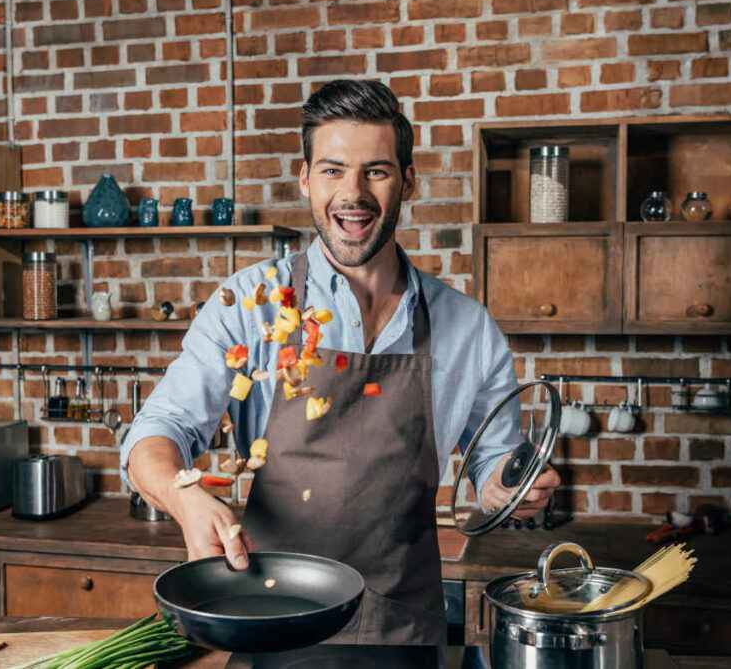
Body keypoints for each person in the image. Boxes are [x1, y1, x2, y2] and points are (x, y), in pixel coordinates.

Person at [121, 79, 561, 645]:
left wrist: (511, 489)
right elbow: (157, 432)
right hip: (269, 617)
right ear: (305, 178)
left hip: (402, 630)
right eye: (332, 170)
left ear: (407, 181)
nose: (352, 193)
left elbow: (494, 466)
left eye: (375, 171)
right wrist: (185, 500)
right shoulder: (250, 305)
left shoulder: (467, 327)